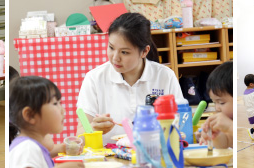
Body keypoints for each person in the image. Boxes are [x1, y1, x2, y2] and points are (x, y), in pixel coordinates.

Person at [76, 13, 183, 143]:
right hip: (109, 160)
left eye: (124, 52)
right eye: (111, 47)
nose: (115, 57)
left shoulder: (165, 76)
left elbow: (180, 126)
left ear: (144, 51)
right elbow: (80, 137)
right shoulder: (94, 78)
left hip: (154, 154)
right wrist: (92, 129)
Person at [8, 76, 83, 168]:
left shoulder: (34, 146)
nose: (62, 110)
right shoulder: (27, 148)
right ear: (30, 115)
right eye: (55, 103)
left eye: (60, 103)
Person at [198, 62, 233, 149]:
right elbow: (224, 144)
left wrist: (230, 127)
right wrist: (215, 136)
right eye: (214, 102)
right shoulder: (226, 121)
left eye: (221, 103)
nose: (217, 108)